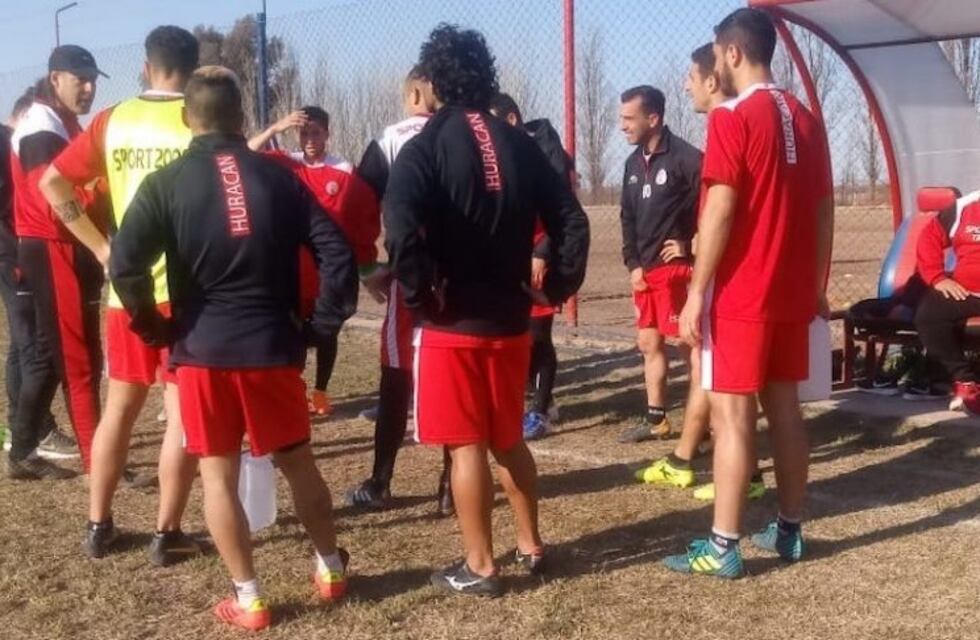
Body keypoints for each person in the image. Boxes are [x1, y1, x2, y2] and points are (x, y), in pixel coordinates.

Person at [110, 65, 358, 631]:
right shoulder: (279, 178)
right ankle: (330, 569)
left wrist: (153, 329)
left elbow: (125, 265)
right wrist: (319, 327)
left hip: (202, 352)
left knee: (217, 476)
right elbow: (338, 255)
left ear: (186, 118)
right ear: (242, 117)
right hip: (272, 348)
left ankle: (250, 600)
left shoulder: (167, 182)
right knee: (299, 463)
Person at [385, 24, 589, 595]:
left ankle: (479, 566)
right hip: (510, 320)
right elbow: (572, 217)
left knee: (465, 443)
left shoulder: (424, 146)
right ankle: (530, 544)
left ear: (433, 81)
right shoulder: (520, 142)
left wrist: (422, 292)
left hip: (453, 324)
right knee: (507, 439)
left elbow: (398, 229)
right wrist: (558, 286)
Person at [665, 8, 834, 579]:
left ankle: (722, 545)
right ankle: (788, 531)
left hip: (742, 294)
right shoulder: (807, 118)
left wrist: (696, 293)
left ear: (733, 53)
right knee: (784, 408)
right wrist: (815, 284)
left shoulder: (733, 117)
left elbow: (720, 208)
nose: (713, 65)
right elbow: (822, 208)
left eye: (716, 55)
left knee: (732, 416)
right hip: (790, 292)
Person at [40, 25, 203, 564]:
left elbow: (52, 184)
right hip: (185, 294)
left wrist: (101, 248)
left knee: (120, 411)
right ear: (193, 67)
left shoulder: (114, 120)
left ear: (146, 64)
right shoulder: (198, 120)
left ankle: (97, 523)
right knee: (180, 415)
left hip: (125, 292)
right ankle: (167, 532)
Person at [635, 43, 766, 503]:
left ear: (714, 79)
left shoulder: (729, 124)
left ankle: (726, 473)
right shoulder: (745, 124)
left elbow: (725, 212)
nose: (686, 84)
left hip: (731, 285)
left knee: (714, 375)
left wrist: (695, 273)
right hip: (735, 283)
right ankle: (687, 459)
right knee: (704, 370)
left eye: (692, 76)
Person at [344, 65, 458, 515]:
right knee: (453, 378)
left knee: (395, 377)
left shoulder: (392, 138)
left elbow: (355, 205)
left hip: (409, 278)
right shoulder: (470, 134)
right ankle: (451, 486)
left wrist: (368, 266)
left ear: (414, 92)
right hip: (463, 282)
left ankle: (381, 481)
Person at [9, 45, 108, 478]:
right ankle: (100, 462)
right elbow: (52, 198)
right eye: (79, 79)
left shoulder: (64, 122)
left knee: (55, 357)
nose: (88, 88)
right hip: (52, 246)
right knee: (79, 361)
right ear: (55, 79)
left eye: (93, 80)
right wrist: (107, 191)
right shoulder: (41, 123)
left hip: (67, 245)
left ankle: (21, 452)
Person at [248, 105, 383, 417]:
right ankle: (295, 388)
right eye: (305, 133)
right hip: (294, 268)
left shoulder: (346, 171)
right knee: (293, 328)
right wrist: (273, 129)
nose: (310, 139)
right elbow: (245, 153)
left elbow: (364, 218)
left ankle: (321, 391)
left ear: (327, 134)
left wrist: (366, 265)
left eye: (316, 132)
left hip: (330, 270)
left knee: (327, 331)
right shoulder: (286, 164)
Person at [616, 85, 703, 445]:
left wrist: (692, 245)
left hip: (676, 273)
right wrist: (633, 263)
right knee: (648, 343)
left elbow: (717, 204)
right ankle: (658, 421)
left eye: (628, 118)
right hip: (645, 273)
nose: (622, 126)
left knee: (689, 345)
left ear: (653, 118)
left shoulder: (686, 158)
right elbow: (627, 217)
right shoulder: (631, 164)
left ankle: (705, 426)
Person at [488, 91, 575, 441]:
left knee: (538, 334)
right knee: (514, 331)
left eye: (493, 122)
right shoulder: (499, 152)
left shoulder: (550, 155)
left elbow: (564, 214)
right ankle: (544, 398)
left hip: (540, 256)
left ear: (511, 120)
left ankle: (539, 411)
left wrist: (542, 250)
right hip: (509, 255)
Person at [1, 88, 71, 469]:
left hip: (21, 249)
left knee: (29, 347)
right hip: (23, 251)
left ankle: (23, 437)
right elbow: (32, 194)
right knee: (38, 347)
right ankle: (28, 437)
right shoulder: (29, 131)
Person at [914, 189, 980, 414]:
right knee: (928, 316)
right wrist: (937, 278)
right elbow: (928, 237)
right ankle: (966, 383)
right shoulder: (965, 207)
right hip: (968, 291)